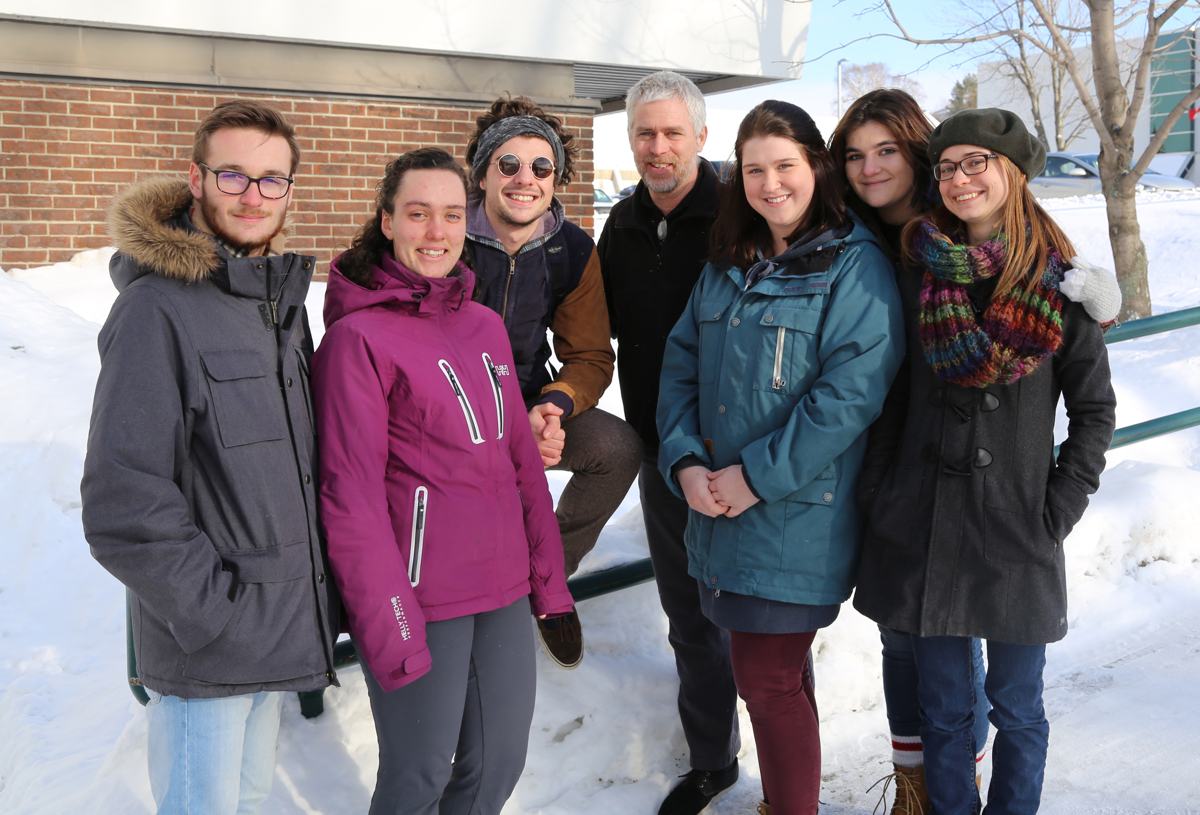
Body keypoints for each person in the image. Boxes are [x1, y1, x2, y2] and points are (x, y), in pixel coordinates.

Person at [853, 108, 1117, 814]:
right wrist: (883, 492)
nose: (961, 179)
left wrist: (1055, 511)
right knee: (943, 712)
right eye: (948, 166)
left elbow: (1095, 413)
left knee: (1017, 711)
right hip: (927, 525)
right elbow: (895, 398)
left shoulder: (1064, 286)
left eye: (978, 162)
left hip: (1014, 530)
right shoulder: (921, 273)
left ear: (1013, 172)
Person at [81, 100, 339, 814]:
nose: (253, 196)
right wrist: (214, 615)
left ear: (291, 189)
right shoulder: (155, 311)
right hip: (211, 648)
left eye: (271, 179)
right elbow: (122, 499)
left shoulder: (273, 304)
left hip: (271, 630)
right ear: (195, 179)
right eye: (233, 175)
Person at [657, 99, 905, 815]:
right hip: (718, 511)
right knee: (777, 677)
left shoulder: (854, 265)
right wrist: (683, 461)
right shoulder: (732, 263)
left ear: (817, 167)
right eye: (755, 169)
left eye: (786, 166)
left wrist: (755, 476)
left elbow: (849, 395)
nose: (770, 184)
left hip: (794, 515)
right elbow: (680, 365)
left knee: (765, 678)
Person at [312, 147, 574, 815]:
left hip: (503, 586)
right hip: (422, 597)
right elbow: (352, 499)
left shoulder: (483, 323)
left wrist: (549, 583)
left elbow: (520, 459)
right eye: (419, 213)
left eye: (452, 214)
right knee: (418, 776)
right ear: (387, 220)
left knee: (497, 767)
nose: (437, 231)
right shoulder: (357, 340)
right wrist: (390, 619)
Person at [597, 70, 742, 815]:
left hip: (742, 458)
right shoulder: (619, 226)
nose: (658, 147)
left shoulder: (738, 214)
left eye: (672, 133)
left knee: (759, 624)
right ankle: (714, 759)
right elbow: (593, 333)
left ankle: (791, 773)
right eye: (645, 134)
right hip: (661, 452)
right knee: (688, 616)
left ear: (701, 138)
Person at [463, 96, 643, 668]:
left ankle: (544, 574)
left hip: (525, 397)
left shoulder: (570, 250)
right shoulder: (447, 235)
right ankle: (451, 598)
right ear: (483, 172)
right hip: (448, 406)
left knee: (615, 448)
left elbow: (589, 354)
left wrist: (556, 405)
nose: (525, 179)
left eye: (541, 167)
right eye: (508, 164)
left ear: (556, 177)